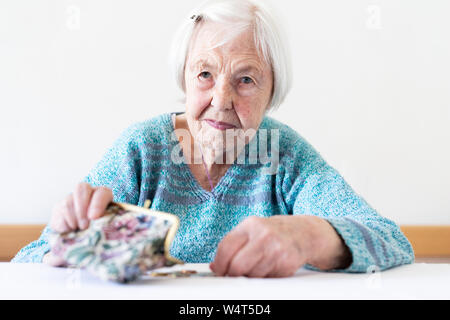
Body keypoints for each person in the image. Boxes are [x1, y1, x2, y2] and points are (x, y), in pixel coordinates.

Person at [12, 0, 414, 278]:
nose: (221, 100)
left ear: (272, 92)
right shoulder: (142, 150)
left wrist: (312, 236)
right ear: (184, 79)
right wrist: (66, 250)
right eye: (205, 74)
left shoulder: (284, 155)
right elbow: (29, 260)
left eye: (246, 79)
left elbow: (390, 240)